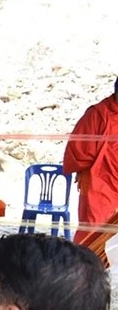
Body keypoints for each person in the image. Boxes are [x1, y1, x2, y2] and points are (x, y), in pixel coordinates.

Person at [63, 77, 118, 244]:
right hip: (100, 182)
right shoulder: (97, 114)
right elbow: (79, 150)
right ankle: (87, 269)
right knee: (94, 231)